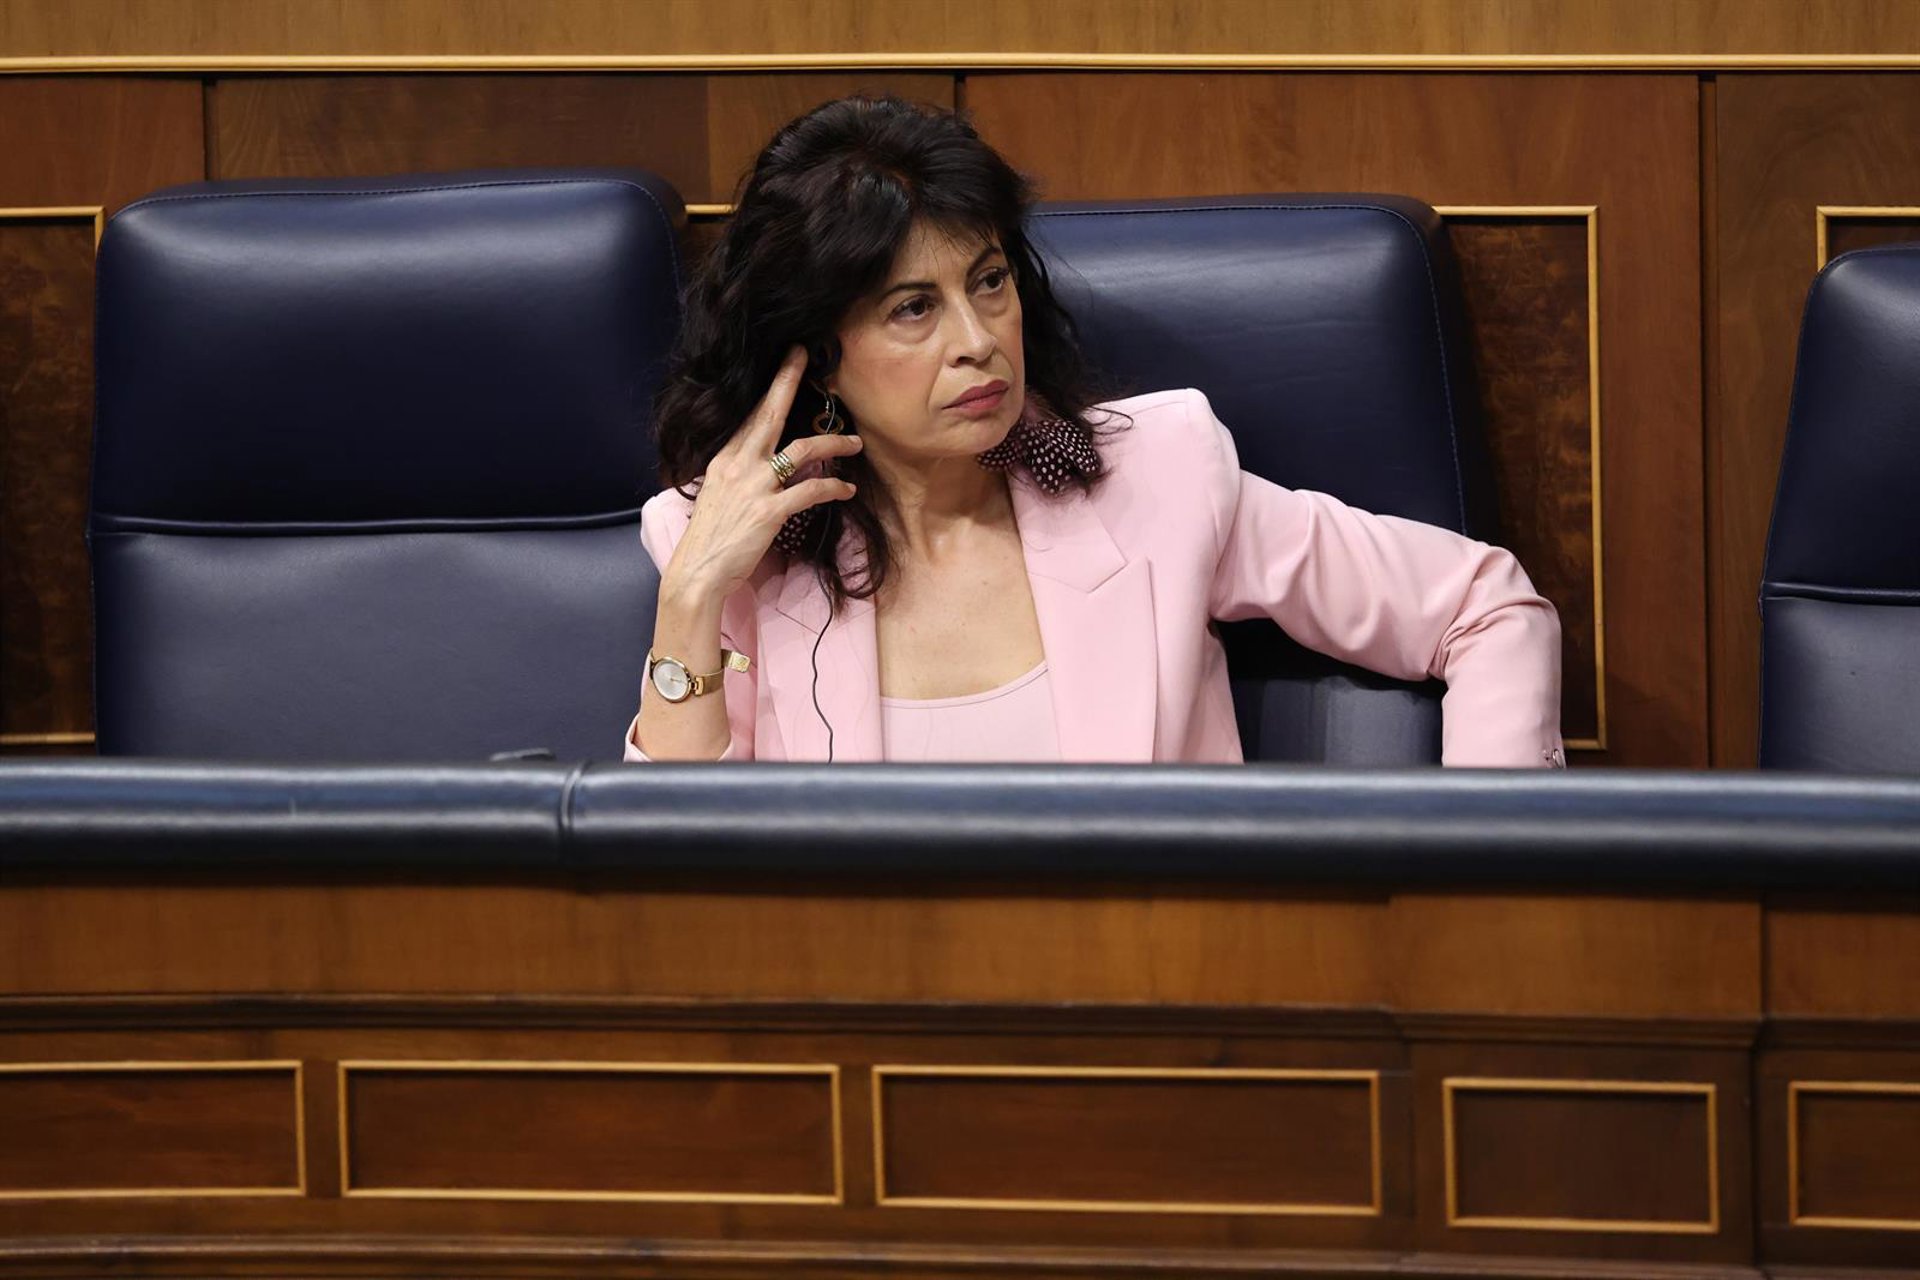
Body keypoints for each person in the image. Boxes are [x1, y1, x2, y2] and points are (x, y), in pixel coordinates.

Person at [625, 95, 1564, 767]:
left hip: (1157, 978)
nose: (978, 340)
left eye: (989, 282)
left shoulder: (1160, 479)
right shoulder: (742, 549)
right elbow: (679, 880)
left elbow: (1483, 605)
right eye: (914, 308)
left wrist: (1482, 884)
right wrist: (692, 597)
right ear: (816, 356)